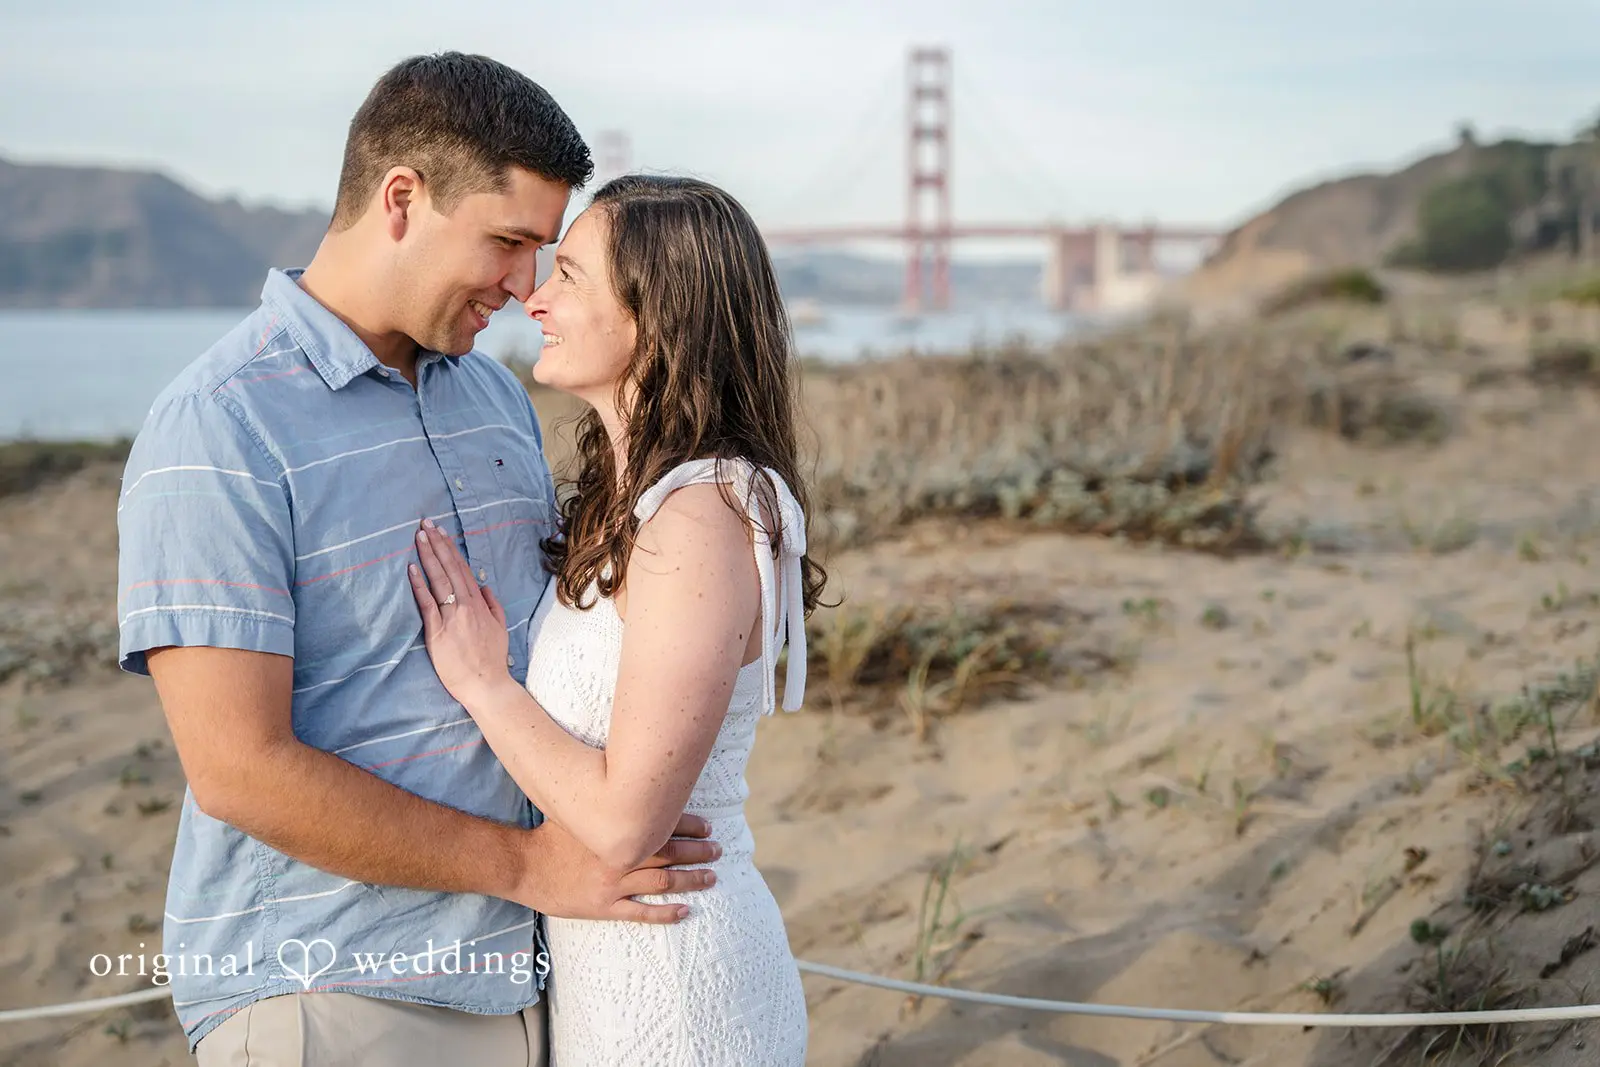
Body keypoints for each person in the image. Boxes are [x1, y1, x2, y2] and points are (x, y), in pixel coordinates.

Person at [115, 54, 718, 1066]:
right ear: (402, 199)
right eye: (507, 241)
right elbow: (237, 769)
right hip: (332, 990)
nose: (524, 284)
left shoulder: (490, 400)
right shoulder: (218, 426)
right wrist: (529, 863)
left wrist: (625, 806)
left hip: (535, 978)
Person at [406, 174, 825, 1066]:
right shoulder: (632, 503)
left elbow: (628, 823)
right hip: (606, 974)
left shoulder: (702, 513)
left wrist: (484, 683)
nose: (535, 297)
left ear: (656, 313)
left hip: (677, 987)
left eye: (569, 275)